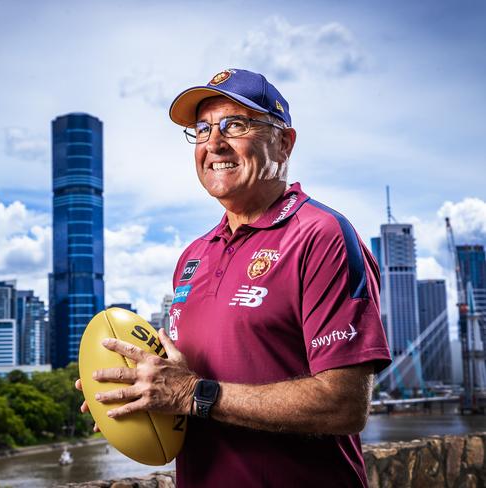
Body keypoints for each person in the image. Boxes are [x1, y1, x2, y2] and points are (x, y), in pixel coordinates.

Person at [76, 68, 391, 487]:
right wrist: (138, 394)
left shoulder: (321, 235)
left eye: (235, 124)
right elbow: (186, 382)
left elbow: (345, 405)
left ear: (284, 141)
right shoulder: (194, 255)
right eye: (202, 130)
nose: (214, 143)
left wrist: (194, 394)